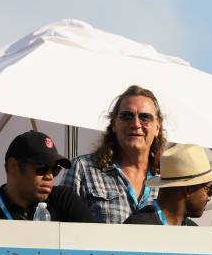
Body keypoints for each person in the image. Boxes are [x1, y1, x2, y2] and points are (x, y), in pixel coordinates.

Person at [62, 85, 167, 223]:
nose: (135, 124)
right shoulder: (83, 169)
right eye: (126, 116)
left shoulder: (168, 179)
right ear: (114, 124)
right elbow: (60, 228)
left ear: (157, 127)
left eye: (145, 117)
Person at [0, 131, 94, 222]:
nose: (49, 176)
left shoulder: (64, 200)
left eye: (55, 169)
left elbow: (95, 248)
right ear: (14, 166)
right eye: (42, 167)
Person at [124, 144, 212, 226]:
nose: (209, 198)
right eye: (209, 189)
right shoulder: (137, 227)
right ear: (189, 189)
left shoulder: (193, 231)